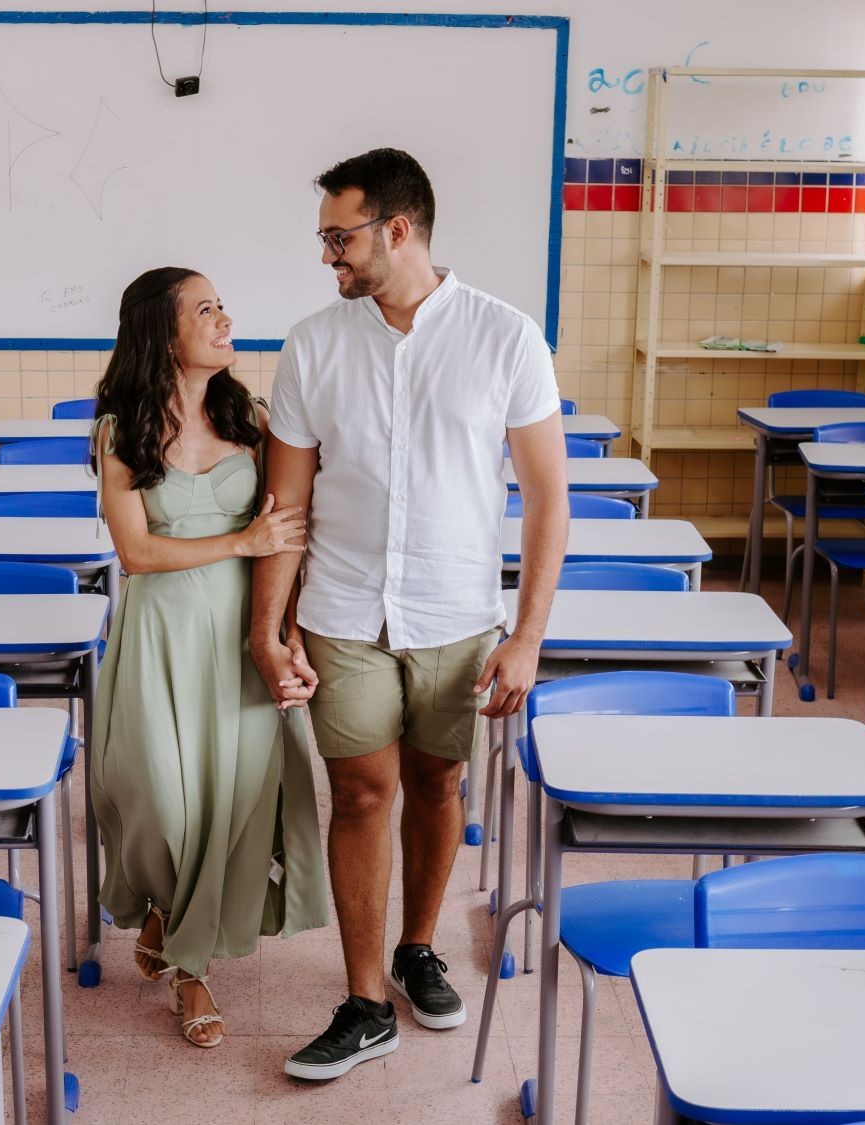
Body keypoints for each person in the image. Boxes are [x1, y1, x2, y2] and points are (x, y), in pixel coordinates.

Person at [252, 148, 569, 1080]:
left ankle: (417, 947)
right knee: (360, 793)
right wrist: (267, 631)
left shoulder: (507, 338)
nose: (327, 257)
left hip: (458, 614)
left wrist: (527, 637)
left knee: (437, 787)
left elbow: (550, 500)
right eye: (324, 239)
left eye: (338, 237)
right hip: (344, 610)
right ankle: (363, 1000)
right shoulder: (313, 344)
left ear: (398, 228)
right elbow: (285, 512)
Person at [89, 266, 331, 1049]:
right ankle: (163, 914)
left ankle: (189, 967)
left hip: (240, 635)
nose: (225, 319)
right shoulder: (120, 428)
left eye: (223, 305)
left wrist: (289, 627)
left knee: (231, 809)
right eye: (206, 309)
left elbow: (290, 538)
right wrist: (241, 539)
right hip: (162, 637)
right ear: (163, 331)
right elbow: (134, 552)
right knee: (164, 800)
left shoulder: (252, 417)